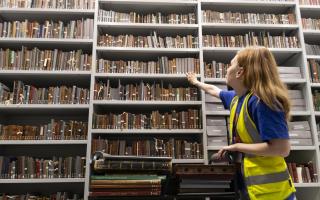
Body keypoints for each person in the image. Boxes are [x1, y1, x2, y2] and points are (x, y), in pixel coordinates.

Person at [186, 46, 296, 200]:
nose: (226, 69)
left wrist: (236, 147)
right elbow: (213, 90)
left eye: (230, 64)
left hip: (273, 194)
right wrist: (196, 82)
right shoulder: (236, 98)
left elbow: (282, 149)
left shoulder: (263, 102)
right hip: (250, 189)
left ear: (240, 72)